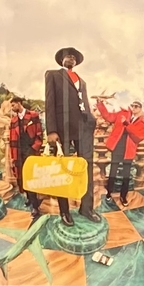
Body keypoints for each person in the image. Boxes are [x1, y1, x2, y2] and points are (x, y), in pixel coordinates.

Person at [42, 46, 95, 215]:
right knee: (62, 169)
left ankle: (86, 208)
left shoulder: (82, 81)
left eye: (74, 57)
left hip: (84, 129)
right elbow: (49, 103)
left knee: (87, 168)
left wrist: (92, 120)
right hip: (62, 128)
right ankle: (64, 211)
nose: (71, 58)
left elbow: (84, 103)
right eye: (68, 56)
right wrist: (51, 130)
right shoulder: (53, 75)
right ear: (61, 59)